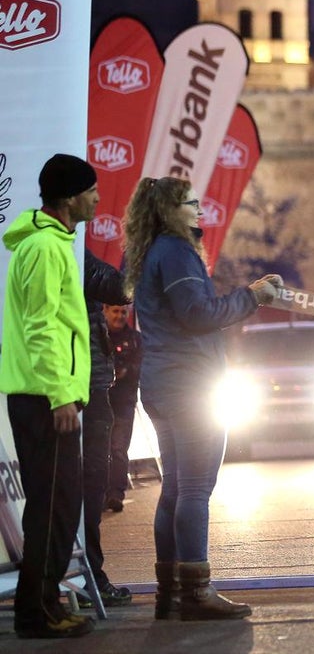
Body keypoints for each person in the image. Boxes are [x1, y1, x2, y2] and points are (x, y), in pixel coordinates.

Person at [121, 176, 281, 621]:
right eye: (191, 203)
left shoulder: (149, 251)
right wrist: (252, 297)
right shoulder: (175, 251)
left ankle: (170, 592)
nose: (200, 209)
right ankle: (196, 591)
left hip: (162, 382)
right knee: (194, 488)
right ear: (171, 210)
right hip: (190, 384)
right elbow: (198, 314)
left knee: (174, 488)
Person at [0, 153, 100, 638]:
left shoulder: (53, 243)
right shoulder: (44, 248)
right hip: (44, 400)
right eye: (91, 189)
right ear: (69, 198)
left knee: (58, 506)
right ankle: (35, 614)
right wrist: (62, 395)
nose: (98, 197)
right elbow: (42, 328)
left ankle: (43, 606)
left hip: (47, 396)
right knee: (51, 507)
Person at [79, 250, 133, 609]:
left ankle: (80, 578)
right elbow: (119, 288)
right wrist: (140, 242)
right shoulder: (63, 245)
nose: (96, 200)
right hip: (78, 391)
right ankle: (87, 579)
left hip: (85, 387)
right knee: (85, 489)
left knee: (86, 489)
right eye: (88, 191)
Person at [104, 302, 143, 512]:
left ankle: (116, 494)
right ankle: (99, 494)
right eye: (115, 311)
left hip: (123, 403)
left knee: (118, 449)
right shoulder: (99, 335)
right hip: (100, 401)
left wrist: (127, 369)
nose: (120, 316)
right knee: (100, 450)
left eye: (123, 312)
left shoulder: (135, 339)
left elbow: (143, 365)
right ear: (105, 311)